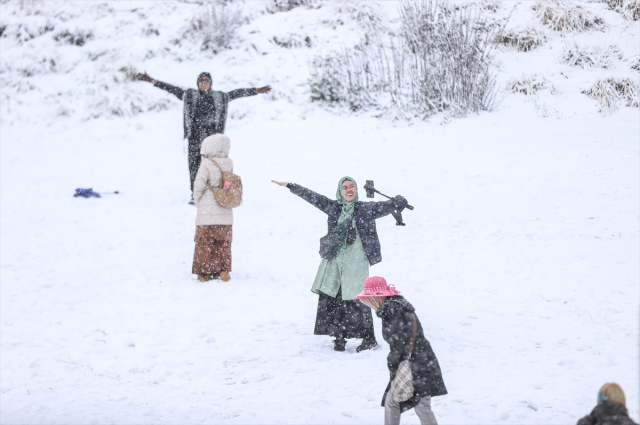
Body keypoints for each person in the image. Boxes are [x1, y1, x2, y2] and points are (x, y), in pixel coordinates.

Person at [271, 177, 408, 352]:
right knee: (335, 296)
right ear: (340, 191)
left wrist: (397, 202)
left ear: (356, 190)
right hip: (335, 260)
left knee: (358, 298)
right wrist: (291, 186)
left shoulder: (366, 209)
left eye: (352, 187)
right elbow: (313, 197)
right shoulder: (334, 207)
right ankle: (339, 336)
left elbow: (388, 206)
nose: (349, 190)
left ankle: (369, 338)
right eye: (345, 187)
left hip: (356, 262)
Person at [137, 71, 271, 203]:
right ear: (197, 83)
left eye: (207, 80)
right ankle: (195, 194)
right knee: (194, 167)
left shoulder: (219, 97)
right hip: (194, 137)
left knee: (215, 168)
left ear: (211, 83)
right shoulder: (190, 95)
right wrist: (153, 81)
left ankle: (217, 193)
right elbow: (172, 89)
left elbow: (236, 93)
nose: (204, 83)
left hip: (212, 139)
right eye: (201, 80)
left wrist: (255, 90)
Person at [355, 276, 447, 425]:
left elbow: (399, 345)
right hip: (422, 361)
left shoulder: (393, 313)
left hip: (415, 365)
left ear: (376, 297)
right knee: (418, 405)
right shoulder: (398, 308)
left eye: (368, 299)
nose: (368, 304)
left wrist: (392, 365)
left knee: (398, 403)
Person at [192, 134, 234, 282]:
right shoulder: (229, 163)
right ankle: (223, 270)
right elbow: (228, 183)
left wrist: (197, 198)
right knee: (223, 241)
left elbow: (199, 185)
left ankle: (204, 272)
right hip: (224, 208)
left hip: (207, 211)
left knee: (205, 241)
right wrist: (222, 193)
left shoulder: (206, 163)